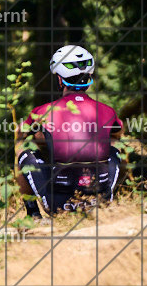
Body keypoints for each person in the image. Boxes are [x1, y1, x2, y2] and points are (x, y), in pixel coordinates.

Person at [16, 45, 123, 217]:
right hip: (98, 201)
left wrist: (43, 143)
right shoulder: (107, 110)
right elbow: (118, 132)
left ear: (60, 80)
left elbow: (20, 133)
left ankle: (33, 215)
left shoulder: (43, 111)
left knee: (22, 151)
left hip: (58, 205)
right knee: (116, 149)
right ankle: (110, 199)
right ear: (89, 78)